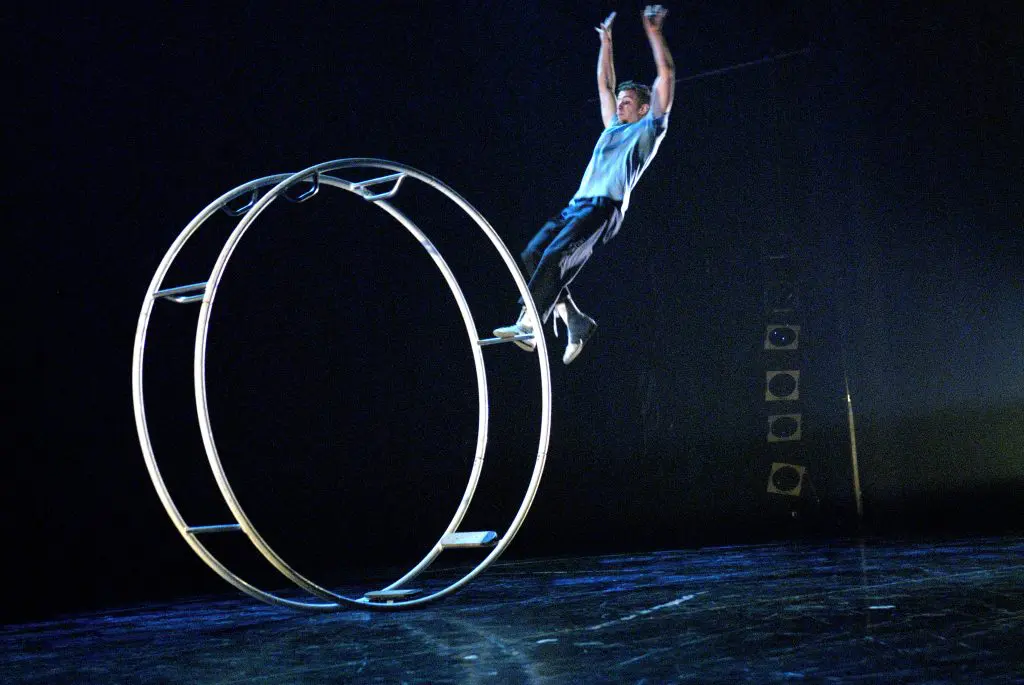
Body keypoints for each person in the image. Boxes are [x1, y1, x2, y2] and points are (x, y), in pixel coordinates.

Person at [493, 6, 675, 364]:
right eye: (619, 103)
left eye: (627, 103)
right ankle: (575, 321)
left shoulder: (647, 131)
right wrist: (606, 43)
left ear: (643, 109)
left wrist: (653, 33)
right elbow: (604, 85)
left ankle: (530, 324)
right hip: (577, 205)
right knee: (532, 254)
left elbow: (665, 75)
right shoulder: (612, 128)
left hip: (603, 208)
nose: (619, 105)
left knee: (556, 256)